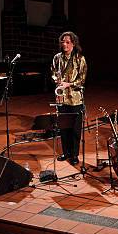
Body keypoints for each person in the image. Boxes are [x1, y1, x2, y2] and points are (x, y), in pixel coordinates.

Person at [51, 31, 87, 166]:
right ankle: (66, 152)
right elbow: (53, 72)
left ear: (73, 44)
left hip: (75, 99)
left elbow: (82, 80)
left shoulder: (79, 59)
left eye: (67, 42)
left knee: (75, 129)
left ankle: (75, 154)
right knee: (64, 127)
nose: (64, 44)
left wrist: (69, 84)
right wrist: (57, 80)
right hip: (61, 98)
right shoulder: (57, 58)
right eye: (63, 42)